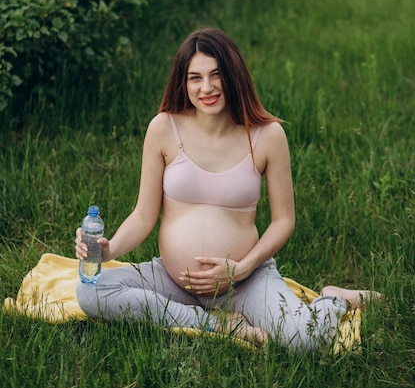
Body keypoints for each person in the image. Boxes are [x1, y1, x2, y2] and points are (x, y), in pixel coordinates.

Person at [75, 27, 380, 350]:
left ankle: (334, 300)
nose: (206, 87)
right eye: (195, 78)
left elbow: (284, 221)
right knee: (90, 292)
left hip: (245, 281)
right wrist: (109, 251)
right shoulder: (164, 128)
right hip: (174, 280)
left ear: (233, 74)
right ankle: (217, 324)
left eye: (216, 75)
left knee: (303, 340)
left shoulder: (267, 135)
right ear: (183, 82)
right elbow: (143, 214)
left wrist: (242, 268)